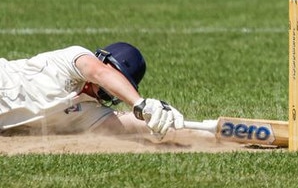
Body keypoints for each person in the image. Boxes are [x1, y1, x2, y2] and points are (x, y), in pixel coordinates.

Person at [0, 42, 184, 138]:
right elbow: (98, 72)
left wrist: (167, 119)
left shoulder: (90, 112)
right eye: (118, 75)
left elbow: (128, 125)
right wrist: (140, 104)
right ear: (104, 60)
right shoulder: (74, 58)